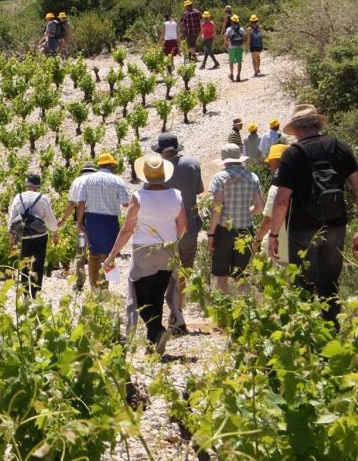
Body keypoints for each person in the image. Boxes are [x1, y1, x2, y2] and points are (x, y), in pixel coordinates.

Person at [266, 104, 358, 324]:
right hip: (335, 226)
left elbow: (282, 201)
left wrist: (274, 235)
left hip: (302, 229)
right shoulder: (340, 147)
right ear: (318, 124)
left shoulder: (292, 155)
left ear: (295, 130)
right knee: (329, 284)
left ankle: (305, 340)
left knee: (302, 285)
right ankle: (331, 336)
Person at [103, 153, 187, 354]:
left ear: (145, 176)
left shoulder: (138, 197)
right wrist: (170, 241)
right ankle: (154, 342)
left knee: (140, 299)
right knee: (157, 295)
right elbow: (183, 226)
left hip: (144, 251)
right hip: (168, 249)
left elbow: (127, 229)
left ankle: (157, 331)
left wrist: (112, 254)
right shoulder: (176, 195)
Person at [152, 132, 203, 336]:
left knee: (164, 274)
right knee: (182, 273)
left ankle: (168, 316)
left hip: (165, 231)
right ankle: (178, 314)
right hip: (189, 228)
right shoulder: (192, 163)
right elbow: (199, 190)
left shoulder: (158, 169)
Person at [207, 144, 264, 295]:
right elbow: (260, 207)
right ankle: (243, 310)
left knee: (221, 275)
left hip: (224, 231)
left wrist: (211, 234)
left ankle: (226, 311)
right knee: (241, 275)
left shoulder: (220, 178)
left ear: (225, 161)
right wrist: (246, 212)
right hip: (246, 230)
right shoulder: (253, 177)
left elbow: (217, 207)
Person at [73, 153, 130, 289]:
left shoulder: (88, 180)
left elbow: (81, 203)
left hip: (92, 220)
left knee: (93, 254)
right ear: (110, 165)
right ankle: (105, 285)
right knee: (109, 254)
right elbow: (126, 203)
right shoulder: (117, 181)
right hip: (110, 221)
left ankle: (94, 285)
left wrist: (80, 222)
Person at [8, 173, 60, 298]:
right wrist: (55, 233)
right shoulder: (42, 198)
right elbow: (50, 218)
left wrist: (12, 236)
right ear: (38, 186)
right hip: (40, 235)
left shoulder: (18, 197)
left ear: (27, 185)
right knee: (38, 264)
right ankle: (35, 293)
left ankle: (25, 293)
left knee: (24, 264)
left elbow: (12, 218)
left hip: (24, 235)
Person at [59, 161, 98, 291]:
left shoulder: (77, 181)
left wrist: (63, 219)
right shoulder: (98, 180)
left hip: (82, 221)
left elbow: (71, 204)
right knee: (98, 250)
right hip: (98, 219)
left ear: (82, 171)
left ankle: (80, 282)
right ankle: (100, 281)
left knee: (81, 250)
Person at [253, 143, 289, 263]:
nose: (269, 167)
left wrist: (257, 241)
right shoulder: (302, 184)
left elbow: (269, 220)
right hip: (298, 246)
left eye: (270, 163)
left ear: (276, 162)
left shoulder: (276, 188)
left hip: (278, 248)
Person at [225, 15, 245, 82]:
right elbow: (244, 37)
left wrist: (226, 46)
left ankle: (232, 74)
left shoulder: (229, 29)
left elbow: (226, 39)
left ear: (232, 21)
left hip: (231, 47)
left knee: (231, 62)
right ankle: (238, 75)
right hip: (240, 47)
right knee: (239, 62)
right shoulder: (241, 29)